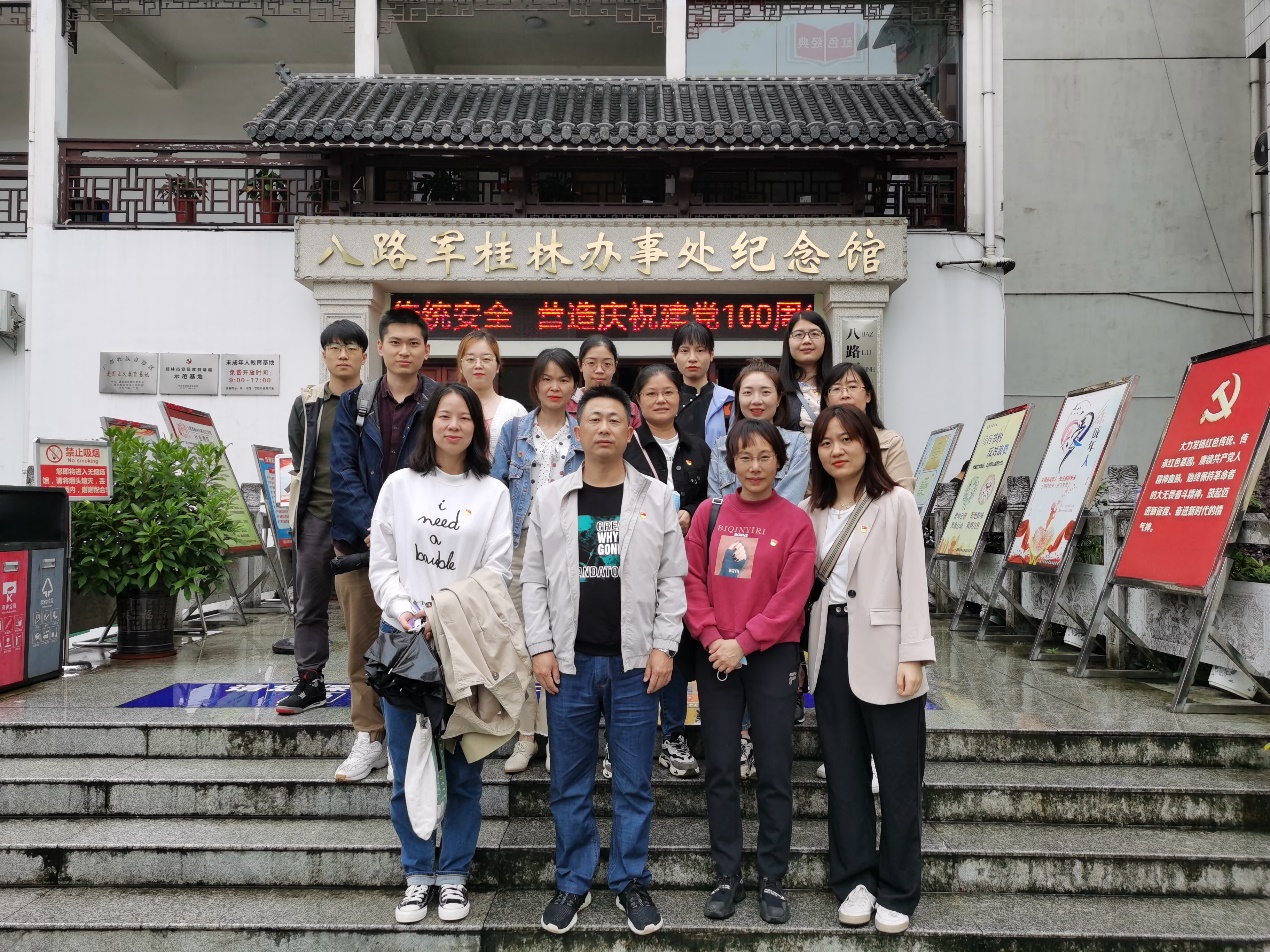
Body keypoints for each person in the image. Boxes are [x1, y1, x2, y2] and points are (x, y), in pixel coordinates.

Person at [521, 385, 687, 937]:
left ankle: (630, 880)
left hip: (634, 665)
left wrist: (664, 645)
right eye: (594, 419)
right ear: (578, 429)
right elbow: (533, 580)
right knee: (569, 782)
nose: (604, 429)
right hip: (568, 665)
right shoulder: (552, 498)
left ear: (629, 428)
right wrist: (540, 646)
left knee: (634, 782)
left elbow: (672, 578)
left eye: (615, 419)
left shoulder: (656, 497)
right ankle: (573, 880)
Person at [368, 383, 514, 925]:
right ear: (429, 424)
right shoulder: (400, 486)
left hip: (464, 645)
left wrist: (444, 613)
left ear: (477, 428)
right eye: (444, 416)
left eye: (464, 418)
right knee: (406, 764)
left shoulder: (493, 492)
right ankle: (416, 875)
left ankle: (452, 876)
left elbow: (496, 570)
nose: (454, 426)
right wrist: (408, 612)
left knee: (464, 768)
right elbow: (382, 563)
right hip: (405, 644)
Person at [803, 404, 935, 936]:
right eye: (826, 442)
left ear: (867, 444)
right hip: (829, 647)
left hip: (886, 648)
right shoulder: (810, 511)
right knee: (844, 774)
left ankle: (899, 888)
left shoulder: (896, 502)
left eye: (846, 439)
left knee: (899, 778)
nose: (836, 450)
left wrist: (913, 654)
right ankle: (854, 880)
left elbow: (915, 582)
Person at [684, 418, 816, 925]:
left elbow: (792, 597)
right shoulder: (710, 513)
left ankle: (772, 878)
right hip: (716, 654)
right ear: (731, 463)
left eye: (764, 456)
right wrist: (712, 637)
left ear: (780, 461)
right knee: (720, 766)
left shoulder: (795, 522)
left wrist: (744, 642)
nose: (754, 467)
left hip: (771, 656)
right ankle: (727, 874)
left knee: (775, 769)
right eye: (744, 458)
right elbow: (691, 580)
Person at [329, 308, 438, 782]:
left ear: (426, 351)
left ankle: (404, 739)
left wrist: (401, 532)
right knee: (362, 644)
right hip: (360, 545)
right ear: (380, 348)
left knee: (413, 641)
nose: (404, 351)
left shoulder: (438, 402)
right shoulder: (354, 403)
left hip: (419, 548)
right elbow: (342, 472)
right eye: (395, 342)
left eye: (413, 343)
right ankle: (368, 735)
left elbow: (441, 471)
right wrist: (374, 527)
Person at [491, 348, 584, 773]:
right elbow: (495, 492)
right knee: (520, 644)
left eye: (563, 379)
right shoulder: (514, 431)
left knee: (562, 641)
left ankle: (554, 737)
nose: (554, 387)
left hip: (568, 546)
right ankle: (525, 736)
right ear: (535, 384)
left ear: (574, 385)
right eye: (546, 379)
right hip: (519, 546)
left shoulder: (583, 431)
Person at [275, 319, 369, 714]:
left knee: (365, 608)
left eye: (351, 347)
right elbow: (301, 458)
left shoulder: (373, 402)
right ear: (324, 354)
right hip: (316, 513)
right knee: (309, 602)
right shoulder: (308, 404)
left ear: (365, 355)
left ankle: (372, 686)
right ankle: (310, 681)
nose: (342, 355)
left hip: (360, 520)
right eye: (334, 347)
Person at [623, 364, 711, 779]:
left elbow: (712, 497)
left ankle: (674, 735)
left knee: (673, 645)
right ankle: (622, 740)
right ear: (637, 401)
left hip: (688, 563)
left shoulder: (700, 447)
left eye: (668, 392)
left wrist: (690, 512)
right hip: (636, 561)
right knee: (633, 646)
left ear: (680, 397)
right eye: (651, 393)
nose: (661, 400)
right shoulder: (627, 446)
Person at [707, 360, 810, 505]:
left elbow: (789, 502)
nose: (756, 400)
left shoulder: (797, 444)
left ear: (779, 398)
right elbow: (715, 505)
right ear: (738, 398)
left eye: (765, 392)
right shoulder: (721, 446)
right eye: (747, 392)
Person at [822, 362, 915, 490]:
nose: (845, 395)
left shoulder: (890, 442)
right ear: (827, 400)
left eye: (852, 387)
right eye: (836, 389)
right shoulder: (818, 443)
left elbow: (903, 494)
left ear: (868, 396)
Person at [455, 329, 525, 458]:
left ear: (497, 366)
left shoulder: (515, 411)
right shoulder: (448, 408)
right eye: (470, 359)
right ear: (460, 366)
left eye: (486, 359)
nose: (478, 365)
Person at [672, 321, 733, 448]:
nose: (692, 358)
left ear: (711, 355)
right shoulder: (665, 400)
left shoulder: (729, 400)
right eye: (684, 351)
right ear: (674, 356)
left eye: (700, 350)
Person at [778, 311, 834, 439]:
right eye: (798, 334)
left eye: (814, 334)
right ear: (788, 341)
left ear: (826, 340)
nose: (807, 340)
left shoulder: (840, 385)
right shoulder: (776, 388)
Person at [567, 333, 642, 428]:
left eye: (607, 364)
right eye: (591, 363)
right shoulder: (565, 405)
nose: (599, 370)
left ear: (615, 366)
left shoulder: (631, 409)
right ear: (580, 365)